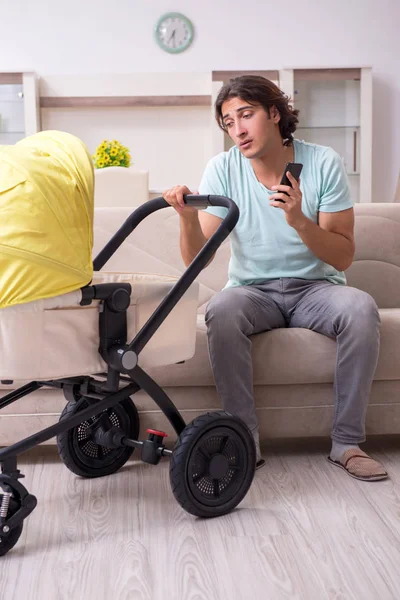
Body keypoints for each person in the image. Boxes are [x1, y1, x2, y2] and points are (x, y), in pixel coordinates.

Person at [163, 75, 387, 481]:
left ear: (275, 113)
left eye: (245, 115)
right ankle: (244, 443)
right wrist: (186, 218)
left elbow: (344, 255)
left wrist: (299, 220)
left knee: (360, 307)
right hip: (252, 292)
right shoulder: (223, 168)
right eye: (229, 122)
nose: (238, 130)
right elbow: (199, 257)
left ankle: (348, 443)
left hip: (315, 289)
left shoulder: (323, 163)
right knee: (222, 309)